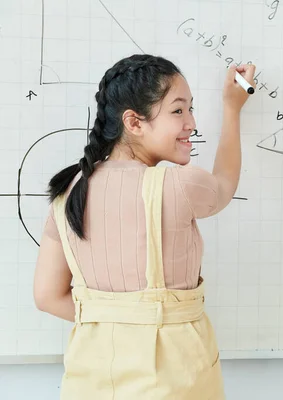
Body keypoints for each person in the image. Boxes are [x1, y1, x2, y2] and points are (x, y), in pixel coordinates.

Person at [33, 54, 255, 399]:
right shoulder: (179, 186)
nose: (192, 123)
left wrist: (113, 318)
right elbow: (224, 184)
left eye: (190, 109)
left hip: (88, 380)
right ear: (134, 123)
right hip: (174, 380)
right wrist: (232, 108)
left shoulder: (67, 194)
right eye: (178, 110)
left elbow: (47, 297)